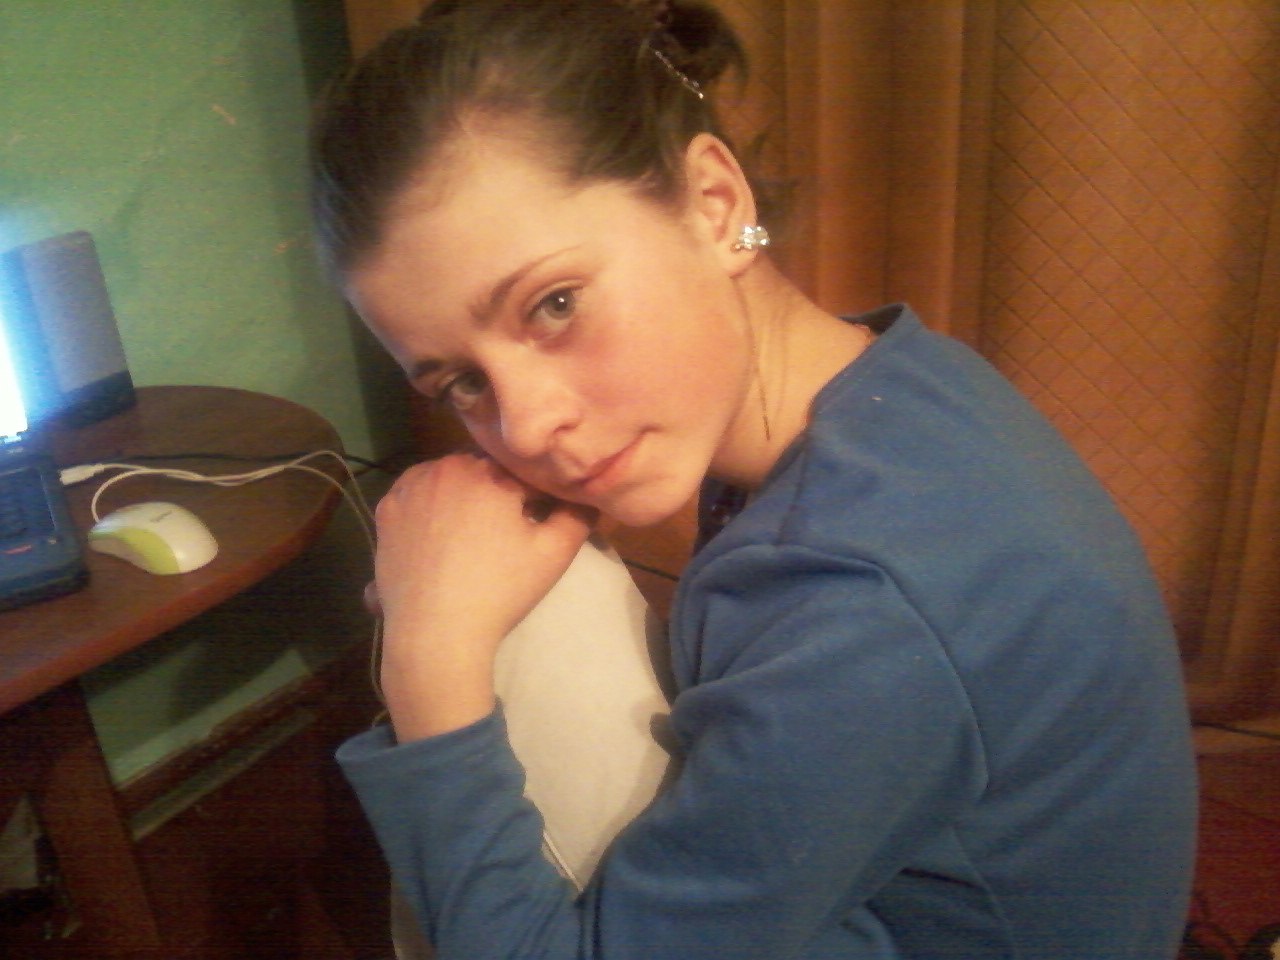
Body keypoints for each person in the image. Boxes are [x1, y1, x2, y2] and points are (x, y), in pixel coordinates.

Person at [308, 1, 1198, 957]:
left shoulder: (865, 608)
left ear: (714, 204)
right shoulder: (893, 379)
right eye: (461, 382)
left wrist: (428, 661)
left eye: (554, 304)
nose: (524, 426)